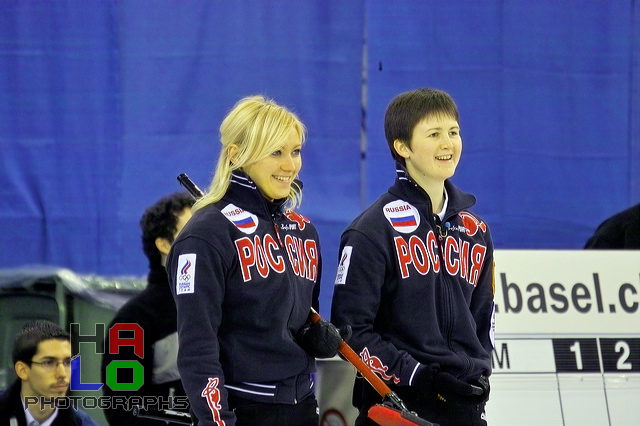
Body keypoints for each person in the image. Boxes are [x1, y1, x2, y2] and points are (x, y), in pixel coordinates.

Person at [166, 95, 343, 426]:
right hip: (243, 411)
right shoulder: (204, 237)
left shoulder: (303, 231)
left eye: (295, 151)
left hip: (302, 406)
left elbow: (300, 315)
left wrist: (312, 335)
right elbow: (197, 350)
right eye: (276, 152)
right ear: (236, 155)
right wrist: (218, 421)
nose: (290, 165)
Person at [330, 88, 495, 426]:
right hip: (398, 407)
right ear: (402, 147)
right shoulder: (371, 230)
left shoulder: (476, 230)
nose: (448, 143)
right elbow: (350, 331)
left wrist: (479, 372)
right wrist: (418, 376)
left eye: (453, 132)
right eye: (433, 134)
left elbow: (482, 320)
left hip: (465, 406)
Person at [101, 191, 194, 425]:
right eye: (193, 233)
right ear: (164, 244)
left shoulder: (224, 304)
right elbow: (122, 410)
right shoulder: (132, 321)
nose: (206, 241)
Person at [0, 320, 98, 426]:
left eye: (67, 362)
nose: (62, 374)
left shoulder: (83, 423)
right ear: (22, 370)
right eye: (49, 363)